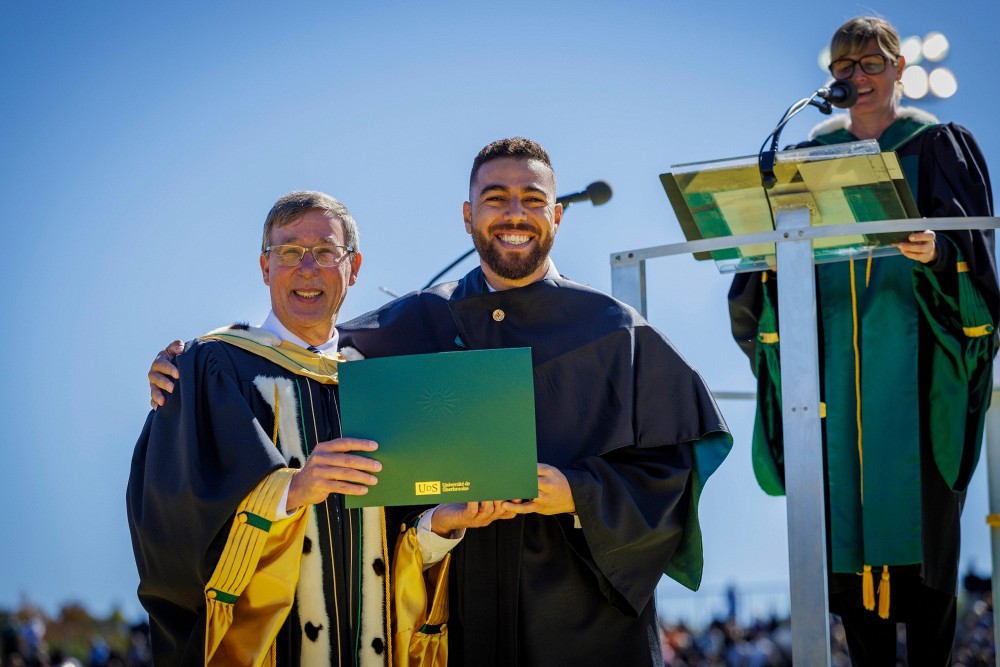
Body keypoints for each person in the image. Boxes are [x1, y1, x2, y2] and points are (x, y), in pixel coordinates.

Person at [150, 138, 733, 665]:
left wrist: (577, 494)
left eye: (533, 199)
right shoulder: (415, 322)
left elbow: (672, 474)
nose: (514, 214)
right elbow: (307, 345)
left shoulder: (615, 332)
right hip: (456, 624)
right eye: (495, 197)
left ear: (556, 214)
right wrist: (195, 365)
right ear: (468, 215)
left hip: (581, 627)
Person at [129, 191, 502, 667]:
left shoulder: (379, 381)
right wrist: (292, 489)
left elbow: (398, 541)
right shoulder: (211, 368)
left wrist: (438, 526)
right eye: (288, 252)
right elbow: (168, 521)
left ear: (354, 267)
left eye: (326, 252)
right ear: (265, 268)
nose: (307, 268)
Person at [729, 17, 998, 667]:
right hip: (831, 393)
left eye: (872, 64)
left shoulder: (936, 144)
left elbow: (974, 261)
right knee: (848, 578)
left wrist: (938, 254)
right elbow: (753, 283)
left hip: (916, 381)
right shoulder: (804, 158)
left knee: (926, 573)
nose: (858, 78)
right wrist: (766, 266)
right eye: (845, 68)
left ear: (901, 68)